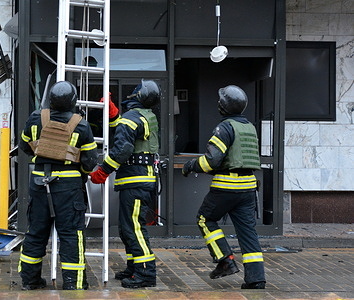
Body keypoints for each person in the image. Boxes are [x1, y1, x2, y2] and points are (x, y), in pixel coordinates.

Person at [181, 85, 266, 289]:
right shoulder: (249, 127)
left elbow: (212, 160)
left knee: (205, 218)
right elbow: (237, 158)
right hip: (248, 188)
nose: (218, 103)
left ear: (224, 106)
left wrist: (190, 165)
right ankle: (256, 279)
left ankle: (225, 260)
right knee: (248, 233)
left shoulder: (225, 127)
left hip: (226, 188)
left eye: (221, 101)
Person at [18, 80, 98, 290]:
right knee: (71, 234)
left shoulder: (36, 118)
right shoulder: (81, 124)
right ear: (73, 100)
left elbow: (24, 147)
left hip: (38, 183)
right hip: (69, 188)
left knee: (35, 233)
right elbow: (90, 163)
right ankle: (74, 283)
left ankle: (29, 281)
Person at [89, 80, 161, 289]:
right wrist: (113, 116)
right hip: (140, 180)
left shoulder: (132, 118)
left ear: (139, 96)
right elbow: (126, 131)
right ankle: (134, 267)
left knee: (134, 229)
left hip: (135, 181)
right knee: (127, 228)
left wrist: (103, 171)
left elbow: (122, 148)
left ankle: (146, 273)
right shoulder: (144, 116)